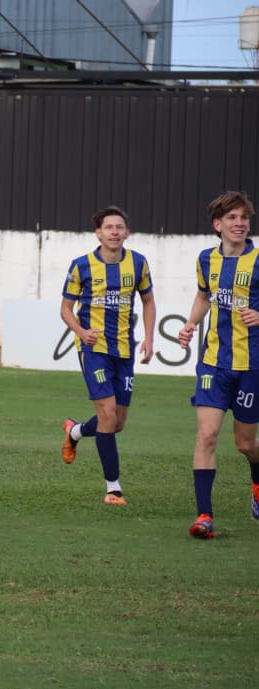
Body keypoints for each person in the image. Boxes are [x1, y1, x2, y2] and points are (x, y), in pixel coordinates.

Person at [60, 205, 155, 505]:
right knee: (107, 412)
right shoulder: (81, 266)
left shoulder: (138, 264)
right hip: (94, 348)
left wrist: (149, 338)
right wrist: (81, 331)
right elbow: (65, 309)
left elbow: (149, 302)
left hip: (124, 349)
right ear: (98, 233)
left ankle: (75, 432)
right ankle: (113, 489)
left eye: (119, 227)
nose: (114, 232)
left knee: (117, 423)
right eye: (109, 227)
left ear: (127, 232)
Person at [177, 190, 259, 540]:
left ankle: (256, 482)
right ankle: (204, 515)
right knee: (207, 434)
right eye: (233, 218)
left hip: (251, 365)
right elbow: (203, 295)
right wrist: (191, 323)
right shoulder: (206, 259)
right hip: (213, 363)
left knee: (245, 444)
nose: (240, 223)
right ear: (218, 224)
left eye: (244, 218)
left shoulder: (258, 260)